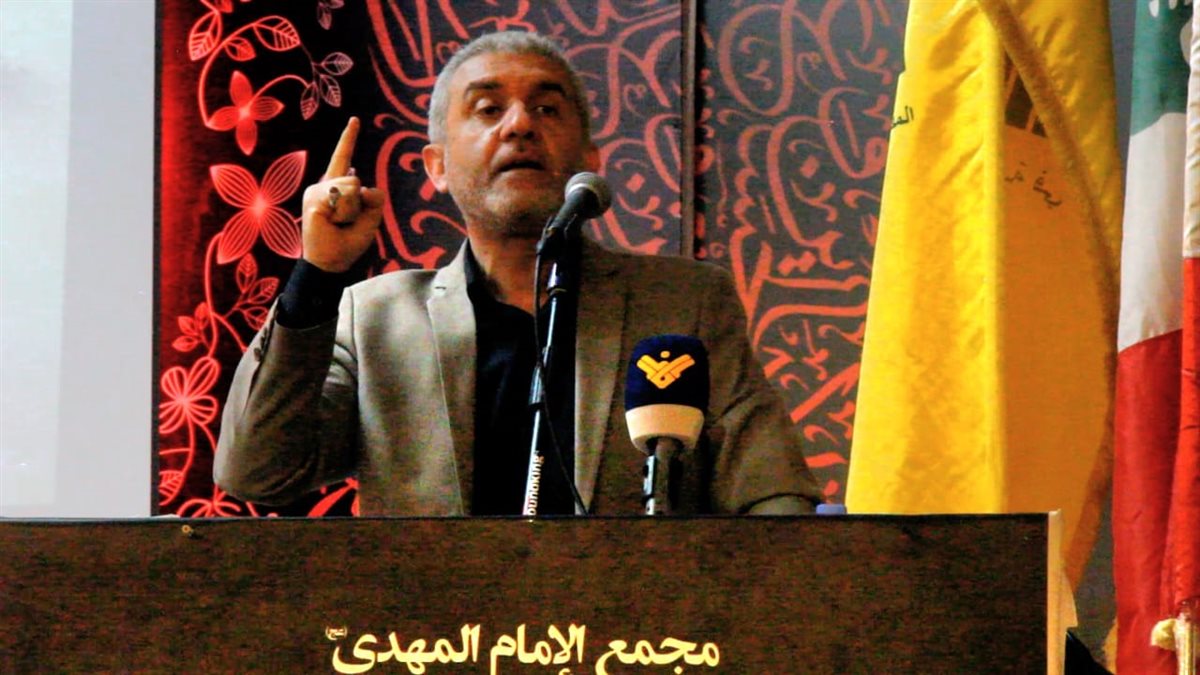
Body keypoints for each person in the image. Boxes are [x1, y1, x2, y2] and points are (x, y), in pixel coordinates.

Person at [214, 30, 822, 516]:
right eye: (487, 108)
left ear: (589, 159)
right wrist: (318, 274)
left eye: (547, 108)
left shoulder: (683, 303)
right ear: (437, 166)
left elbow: (772, 494)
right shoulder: (374, 318)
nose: (520, 124)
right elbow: (258, 473)